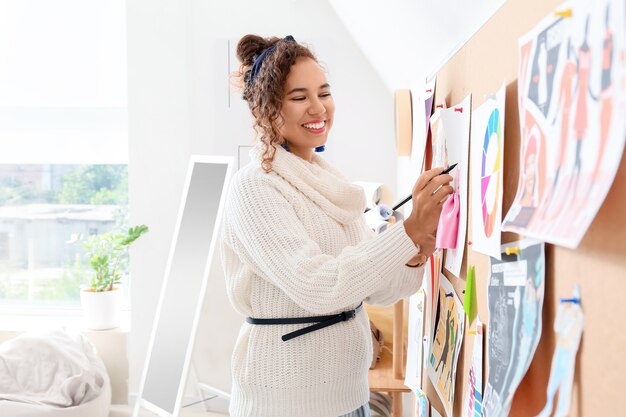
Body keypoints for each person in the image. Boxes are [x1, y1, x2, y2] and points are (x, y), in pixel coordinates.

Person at [220, 34, 453, 417]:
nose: (319, 108)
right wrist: (407, 233)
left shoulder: (328, 182)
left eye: (324, 93)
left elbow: (375, 289)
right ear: (266, 111)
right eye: (299, 97)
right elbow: (321, 286)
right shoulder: (255, 187)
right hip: (287, 405)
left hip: (348, 396)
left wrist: (417, 249)